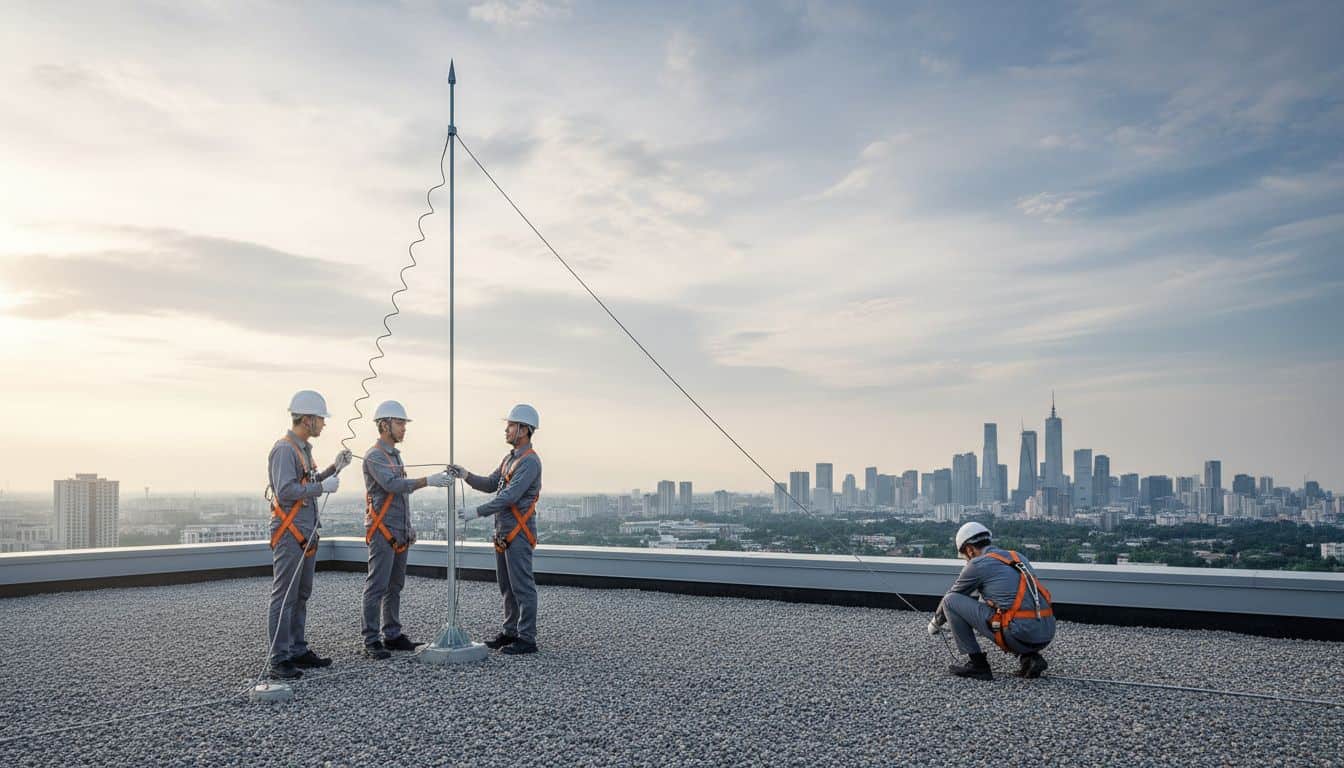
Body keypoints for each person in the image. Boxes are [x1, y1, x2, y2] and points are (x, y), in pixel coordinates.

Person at [266, 390, 352, 680]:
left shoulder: (303, 450)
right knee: (285, 595)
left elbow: (309, 481)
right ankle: (280, 658)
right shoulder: (284, 450)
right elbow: (286, 491)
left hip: (305, 532)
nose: (323, 425)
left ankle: (297, 649)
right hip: (291, 533)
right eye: (320, 419)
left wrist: (334, 469)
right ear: (306, 419)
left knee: (301, 594)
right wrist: (321, 489)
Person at [360, 400, 453, 659]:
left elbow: (401, 499)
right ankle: (371, 640)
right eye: (400, 423)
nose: (404, 428)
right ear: (384, 425)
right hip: (383, 531)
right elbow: (392, 486)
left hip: (397, 530)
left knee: (394, 585)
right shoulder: (375, 455)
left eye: (403, 424)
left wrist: (408, 526)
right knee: (377, 585)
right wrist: (428, 481)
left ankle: (391, 634)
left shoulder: (394, 455)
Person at [448, 403, 543, 655]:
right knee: (507, 586)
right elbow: (492, 483)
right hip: (504, 531)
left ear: (523, 429)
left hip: (518, 533)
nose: (507, 430)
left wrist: (475, 512)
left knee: (522, 586)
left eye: (511, 425)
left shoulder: (529, 462)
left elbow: (509, 497)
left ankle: (527, 638)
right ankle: (510, 631)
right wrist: (465, 474)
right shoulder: (509, 459)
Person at [927, 521, 1055, 680]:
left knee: (950, 601)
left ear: (970, 550)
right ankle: (1031, 658)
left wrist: (934, 625)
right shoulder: (1017, 556)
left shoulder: (977, 564)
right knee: (1011, 611)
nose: (966, 561)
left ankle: (978, 665)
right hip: (1047, 630)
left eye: (964, 556)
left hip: (1020, 633)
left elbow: (952, 597)